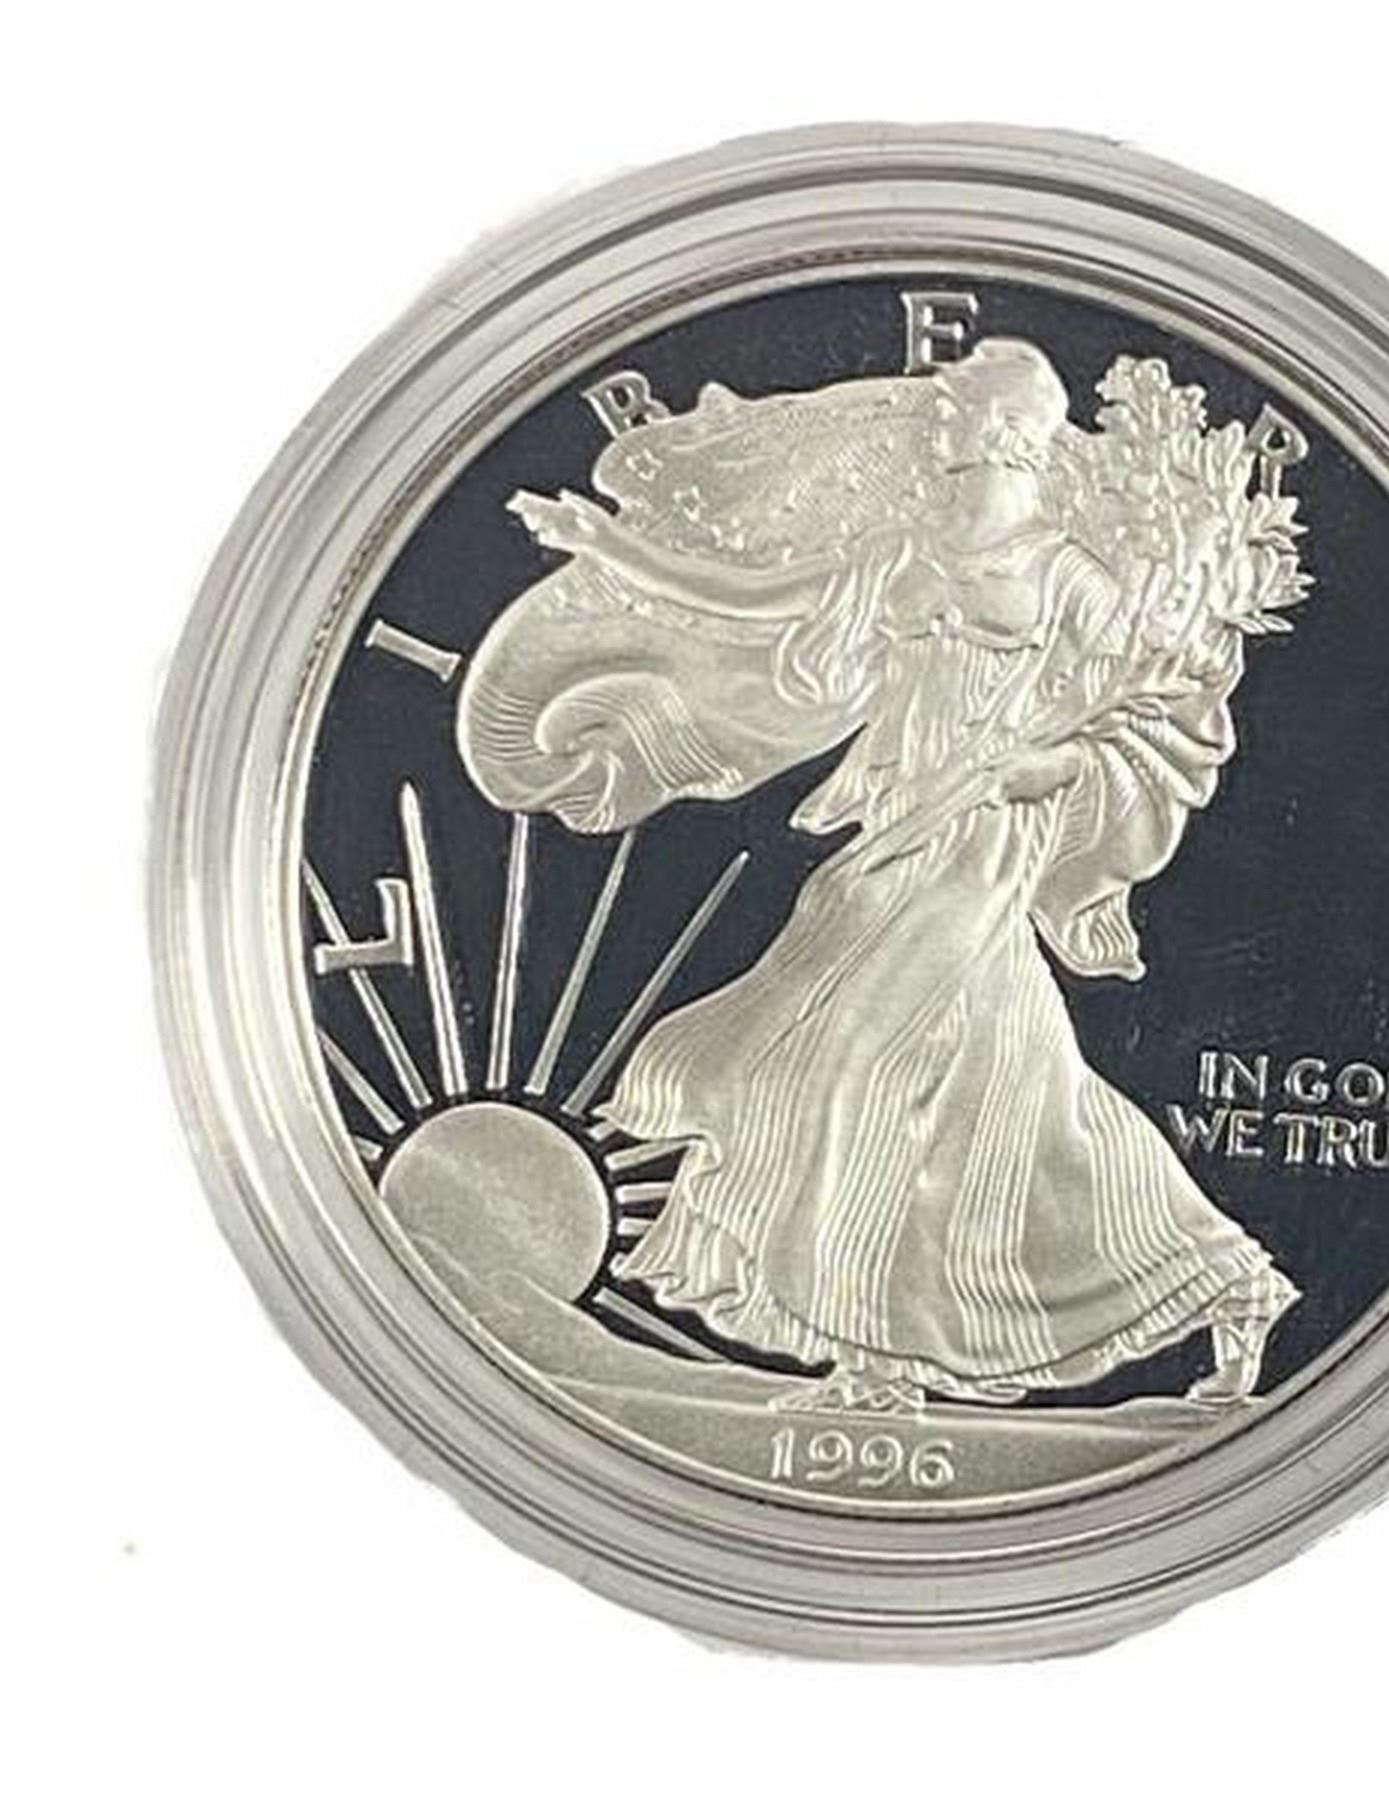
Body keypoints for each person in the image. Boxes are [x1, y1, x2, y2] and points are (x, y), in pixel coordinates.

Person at [459, 338, 1298, 1413]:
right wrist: (608, 546)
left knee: (850, 1061)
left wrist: (1051, 764)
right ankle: (1222, 1286)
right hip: (898, 835)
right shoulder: (908, 554)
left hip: (985, 844)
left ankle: (875, 1360)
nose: (936, 419)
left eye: (956, 407)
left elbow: (1152, 710)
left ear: (1008, 430)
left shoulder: (1068, 577)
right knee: (1019, 1104)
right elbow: (749, 598)